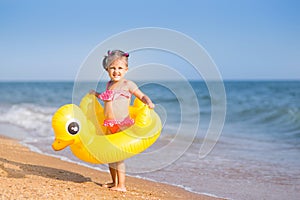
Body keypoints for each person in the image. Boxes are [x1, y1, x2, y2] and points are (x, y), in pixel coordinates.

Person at [90, 50, 155, 192]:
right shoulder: (109, 84)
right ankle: (114, 182)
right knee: (110, 156)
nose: (116, 71)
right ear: (107, 69)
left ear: (126, 70)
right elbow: (106, 97)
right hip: (109, 124)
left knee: (118, 156)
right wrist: (96, 94)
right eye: (112, 68)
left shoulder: (128, 84)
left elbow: (141, 96)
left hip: (122, 124)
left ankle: (122, 185)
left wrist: (148, 102)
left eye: (120, 68)